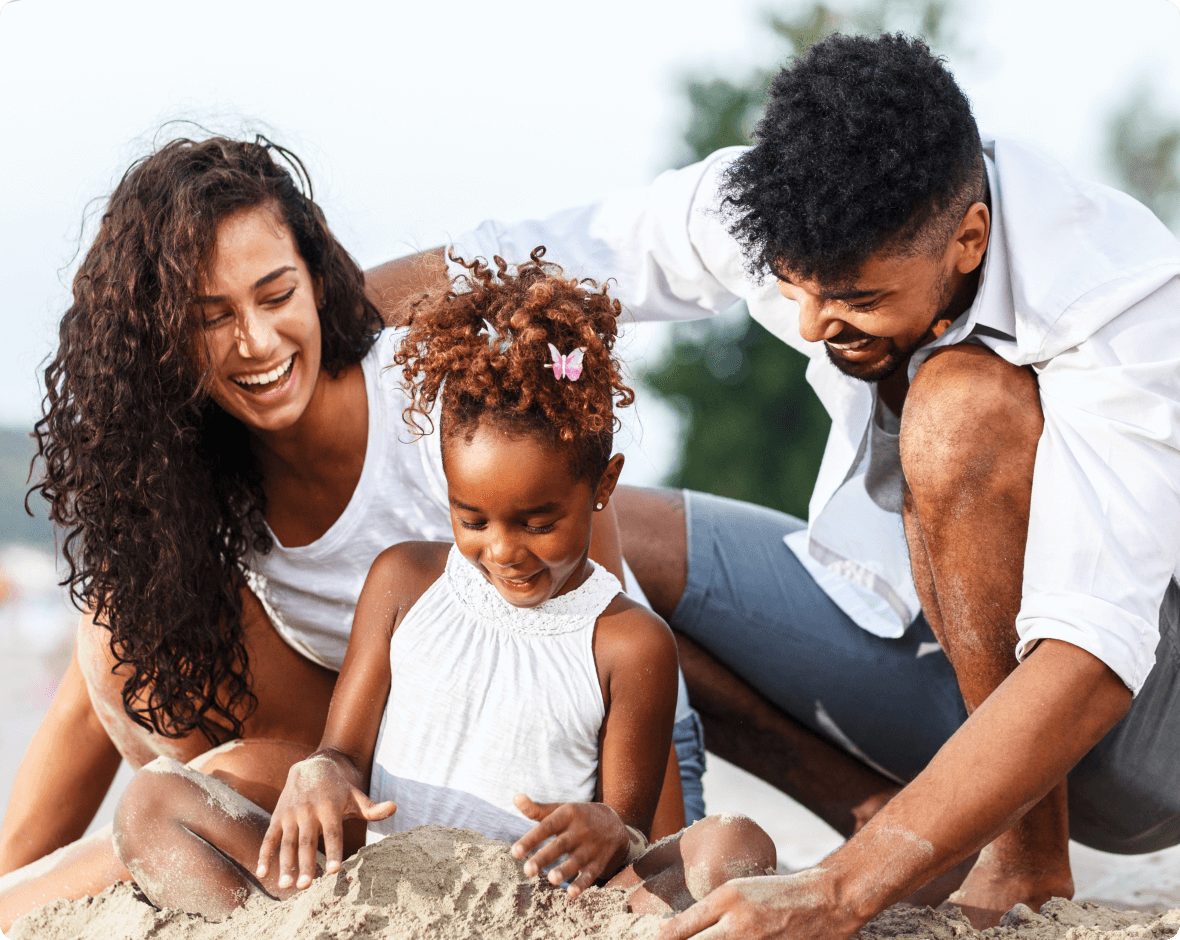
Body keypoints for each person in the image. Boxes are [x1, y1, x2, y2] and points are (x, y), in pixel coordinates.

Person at [367, 32, 1180, 940]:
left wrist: (839, 893)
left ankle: (1023, 857)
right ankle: (891, 820)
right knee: (585, 531)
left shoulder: (1119, 297)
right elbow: (512, 265)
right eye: (793, 287)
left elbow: (1093, 653)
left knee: (956, 410)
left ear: (969, 240)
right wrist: (306, 327)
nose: (810, 322)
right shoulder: (775, 200)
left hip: (1140, 732)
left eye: (854, 299)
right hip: (942, 664)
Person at [0, 137, 701, 930]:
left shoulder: (464, 413)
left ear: (318, 279)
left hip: (589, 782)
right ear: (162, 338)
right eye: (212, 317)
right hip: (404, 773)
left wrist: (640, 845)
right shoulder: (209, 478)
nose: (256, 342)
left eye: (275, 295)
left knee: (229, 769)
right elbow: (83, 708)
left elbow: (611, 643)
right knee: (129, 645)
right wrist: (327, 770)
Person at [107, 250, 775, 919]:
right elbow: (345, 753)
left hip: (546, 911)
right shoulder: (403, 581)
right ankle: (270, 930)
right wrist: (321, 774)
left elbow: (630, 829)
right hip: (385, 899)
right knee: (152, 802)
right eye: (472, 518)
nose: (504, 550)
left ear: (602, 486)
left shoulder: (630, 643)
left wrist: (608, 829)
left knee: (735, 846)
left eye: (540, 521)